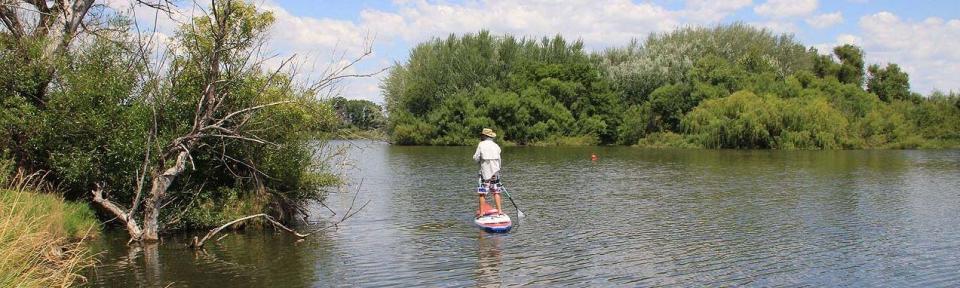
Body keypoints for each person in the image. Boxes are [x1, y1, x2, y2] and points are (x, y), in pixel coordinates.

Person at [473, 128, 503, 217]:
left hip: (484, 174)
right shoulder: (496, 146)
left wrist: (479, 161)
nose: (481, 136)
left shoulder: (481, 144)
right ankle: (500, 211)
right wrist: (498, 170)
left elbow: (476, 158)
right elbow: (499, 161)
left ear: (485, 136)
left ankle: (482, 213)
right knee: (496, 192)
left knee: (482, 193)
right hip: (495, 173)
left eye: (482, 135)